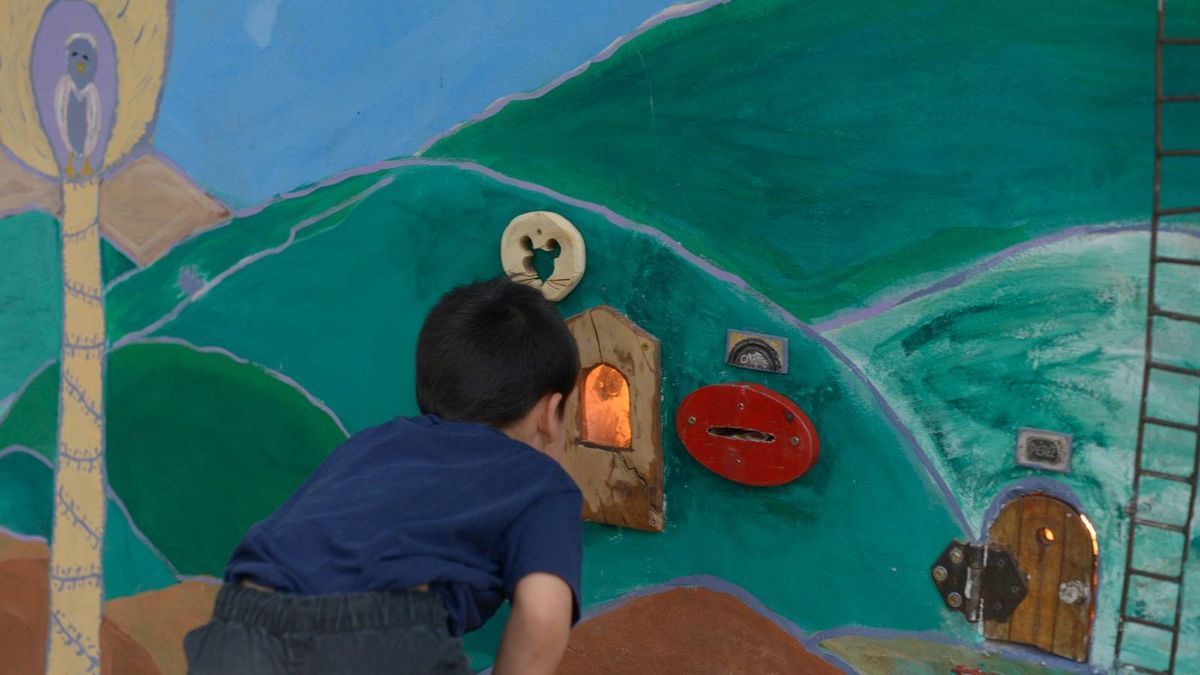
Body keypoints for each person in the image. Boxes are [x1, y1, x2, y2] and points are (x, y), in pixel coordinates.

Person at [184, 277, 584, 675]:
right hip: (377, 636)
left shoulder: (373, 443)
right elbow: (542, 615)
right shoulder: (541, 481)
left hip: (242, 619)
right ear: (550, 413)